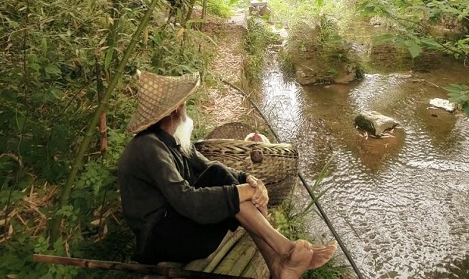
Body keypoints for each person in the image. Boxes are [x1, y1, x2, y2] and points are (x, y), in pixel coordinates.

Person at [117, 70, 336, 279]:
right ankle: (284, 249)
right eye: (183, 104)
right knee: (220, 177)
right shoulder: (149, 147)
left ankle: (277, 264)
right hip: (160, 242)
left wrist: (250, 181)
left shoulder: (172, 143)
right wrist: (244, 191)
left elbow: (211, 166)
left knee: (221, 174)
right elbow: (187, 200)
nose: (185, 109)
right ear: (175, 110)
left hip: (178, 228)